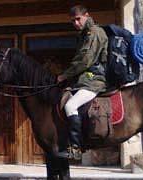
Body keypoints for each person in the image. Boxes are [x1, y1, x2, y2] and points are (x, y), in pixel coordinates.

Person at [57, 5, 108, 160]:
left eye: (78, 19)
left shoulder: (94, 33)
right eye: (73, 21)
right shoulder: (84, 35)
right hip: (84, 81)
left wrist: (64, 75)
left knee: (70, 105)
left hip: (94, 80)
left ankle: (76, 148)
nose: (76, 23)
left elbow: (85, 61)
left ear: (87, 15)